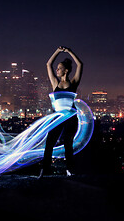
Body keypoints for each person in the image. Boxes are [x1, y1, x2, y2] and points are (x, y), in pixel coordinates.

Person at [39, 46, 83, 178]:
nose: (57, 70)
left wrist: (69, 51)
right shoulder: (55, 83)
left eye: (59, 68)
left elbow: (80, 64)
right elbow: (48, 64)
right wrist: (57, 51)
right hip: (57, 117)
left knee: (68, 144)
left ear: (66, 70)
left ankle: (69, 170)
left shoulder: (74, 83)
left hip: (70, 118)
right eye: (57, 68)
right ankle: (45, 170)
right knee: (50, 143)